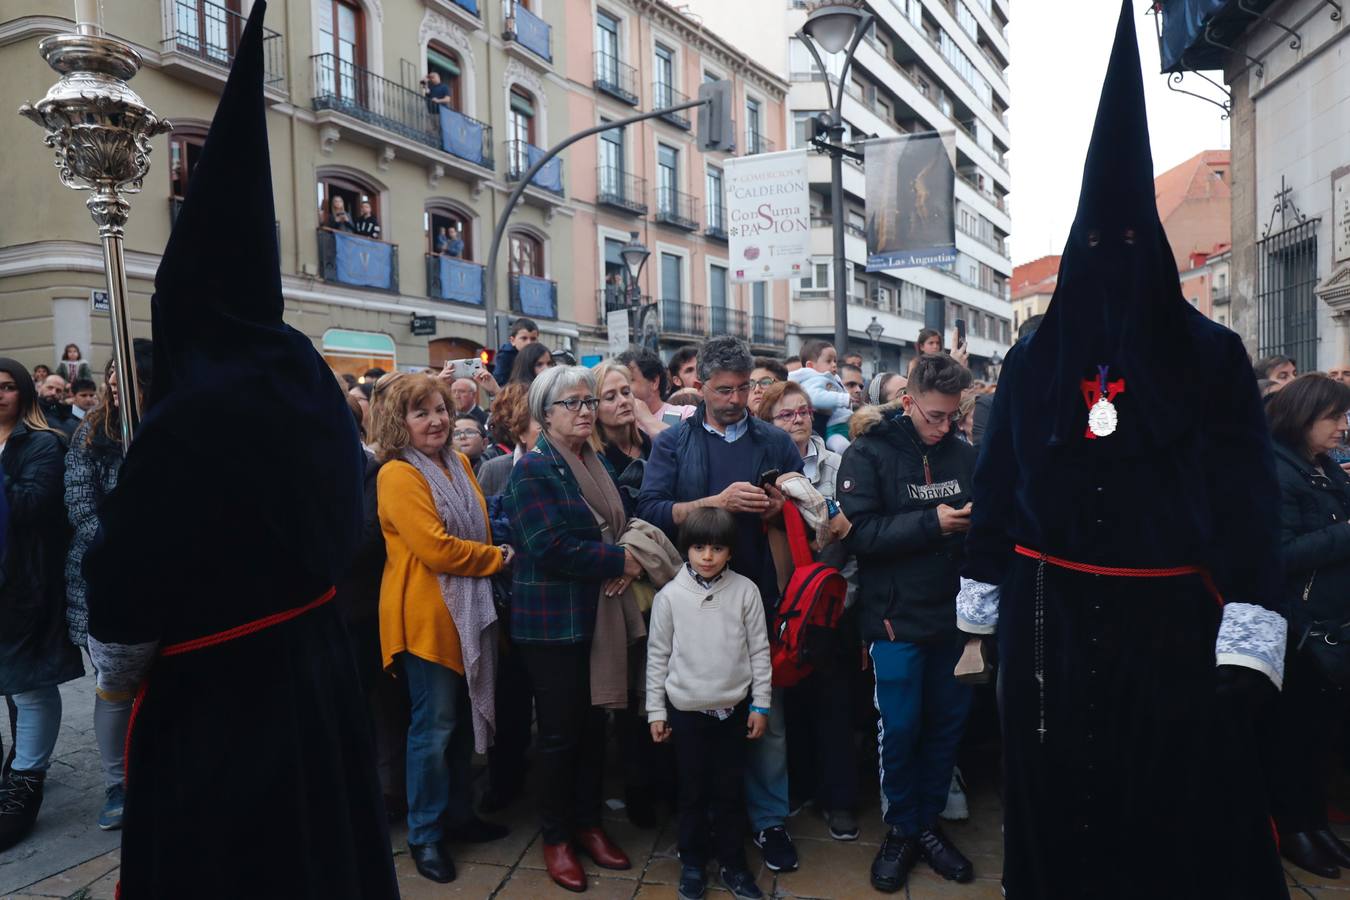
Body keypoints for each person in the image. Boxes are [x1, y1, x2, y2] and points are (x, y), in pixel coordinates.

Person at [958, 6, 1287, 897]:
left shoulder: (1211, 357)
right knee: (1056, 806)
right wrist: (981, 606)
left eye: (1130, 244)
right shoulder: (1030, 357)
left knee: (1176, 816)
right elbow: (995, 489)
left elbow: (1252, 504)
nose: (1112, 260)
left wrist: (1249, 637)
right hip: (1043, 621)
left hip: (1175, 627)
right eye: (1096, 244)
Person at [82, 8, 400, 894]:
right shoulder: (304, 375)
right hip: (317, 669)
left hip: (221, 697)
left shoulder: (192, 414)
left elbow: (122, 595)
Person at [636, 335, 805, 874]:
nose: (737, 400)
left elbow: (803, 510)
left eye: (744, 390)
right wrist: (717, 502)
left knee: (766, 712)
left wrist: (780, 507)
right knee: (699, 716)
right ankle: (705, 823)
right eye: (725, 390)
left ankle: (770, 819)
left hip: (761, 589)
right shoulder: (673, 443)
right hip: (691, 597)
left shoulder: (774, 440)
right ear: (700, 386)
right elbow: (652, 510)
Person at [836, 353, 978, 892]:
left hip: (955, 619)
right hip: (893, 619)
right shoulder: (867, 453)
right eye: (934, 416)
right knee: (898, 728)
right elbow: (859, 536)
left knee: (946, 728)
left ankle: (927, 826)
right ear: (907, 401)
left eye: (953, 416)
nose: (945, 427)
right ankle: (900, 829)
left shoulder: (964, 454)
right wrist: (933, 523)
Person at [504, 365, 642, 892]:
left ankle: (589, 824)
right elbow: (548, 546)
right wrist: (619, 562)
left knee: (592, 730)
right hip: (551, 624)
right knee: (561, 735)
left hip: (596, 615)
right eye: (573, 404)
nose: (586, 411)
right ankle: (556, 837)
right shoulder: (533, 469)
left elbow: (618, 521)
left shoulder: (592, 458)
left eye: (589, 402)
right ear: (545, 413)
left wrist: (621, 556)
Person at [374, 374, 511, 883]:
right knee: (432, 731)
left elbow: (478, 522)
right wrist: (496, 559)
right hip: (424, 619)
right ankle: (425, 835)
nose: (436, 421)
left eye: (440, 410)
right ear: (399, 421)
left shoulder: (458, 463)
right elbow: (435, 548)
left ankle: (459, 815)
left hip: (465, 614)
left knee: (455, 728)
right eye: (421, 413)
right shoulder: (397, 475)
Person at [647, 507, 772, 900]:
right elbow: (657, 657)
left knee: (730, 791)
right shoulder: (670, 597)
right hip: (686, 715)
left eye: (717, 548)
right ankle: (694, 863)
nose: (707, 556)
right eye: (699, 547)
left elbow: (760, 653)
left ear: (730, 552)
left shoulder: (745, 592)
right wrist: (656, 711)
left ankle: (734, 863)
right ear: (687, 548)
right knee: (692, 792)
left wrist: (761, 705)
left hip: (733, 713)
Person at [757, 380, 860, 842]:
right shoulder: (764, 471)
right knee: (791, 704)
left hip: (834, 605)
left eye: (803, 412)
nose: (798, 419)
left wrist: (845, 599)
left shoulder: (839, 465)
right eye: (786, 414)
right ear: (769, 424)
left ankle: (839, 801)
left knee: (836, 706)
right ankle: (798, 788)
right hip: (783, 609)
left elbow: (853, 539)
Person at [63, 344, 152, 833]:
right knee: (113, 683)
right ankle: (117, 781)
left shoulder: (166, 429)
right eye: (114, 372)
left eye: (130, 374)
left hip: (166, 573)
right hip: (108, 572)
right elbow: (79, 503)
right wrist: (120, 549)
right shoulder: (89, 433)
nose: (117, 381)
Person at [1265, 375, 1350, 877]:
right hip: (1299, 625)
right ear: (1303, 417)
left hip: (1328, 621)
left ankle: (1313, 823)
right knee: (1293, 734)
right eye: (1334, 417)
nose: (1343, 427)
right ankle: (1294, 826)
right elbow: (1280, 553)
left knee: (1317, 733)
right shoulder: (1278, 471)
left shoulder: (1320, 467)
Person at [0, 358, 83, 853]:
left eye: (8, 387)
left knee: (30, 686)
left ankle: (26, 782)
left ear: (26, 394)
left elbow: (32, 506)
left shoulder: (45, 444)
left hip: (27, 586)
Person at [592, 359, 651, 507]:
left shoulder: (649, 442)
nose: (623, 401)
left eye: (626, 392)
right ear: (594, 408)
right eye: (610, 397)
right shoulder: (595, 459)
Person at [790, 340, 853, 453]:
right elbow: (815, 397)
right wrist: (843, 399)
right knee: (843, 448)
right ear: (810, 366)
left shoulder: (832, 378)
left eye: (835, 361)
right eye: (828, 361)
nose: (834, 364)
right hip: (833, 428)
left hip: (844, 423)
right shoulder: (814, 379)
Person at [620, 348, 694, 432]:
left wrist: (647, 419)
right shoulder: (618, 422)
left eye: (629, 379)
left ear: (654, 381)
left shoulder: (687, 414)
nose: (623, 387)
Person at [491, 317, 539, 385]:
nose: (529, 342)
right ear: (512, 341)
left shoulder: (540, 355)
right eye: (524, 338)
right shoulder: (506, 356)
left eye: (533, 339)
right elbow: (499, 381)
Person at [37, 374, 76, 438]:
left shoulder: (66, 412)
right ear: (40, 387)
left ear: (62, 394)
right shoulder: (28, 408)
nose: (53, 393)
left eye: (58, 391)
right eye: (50, 388)